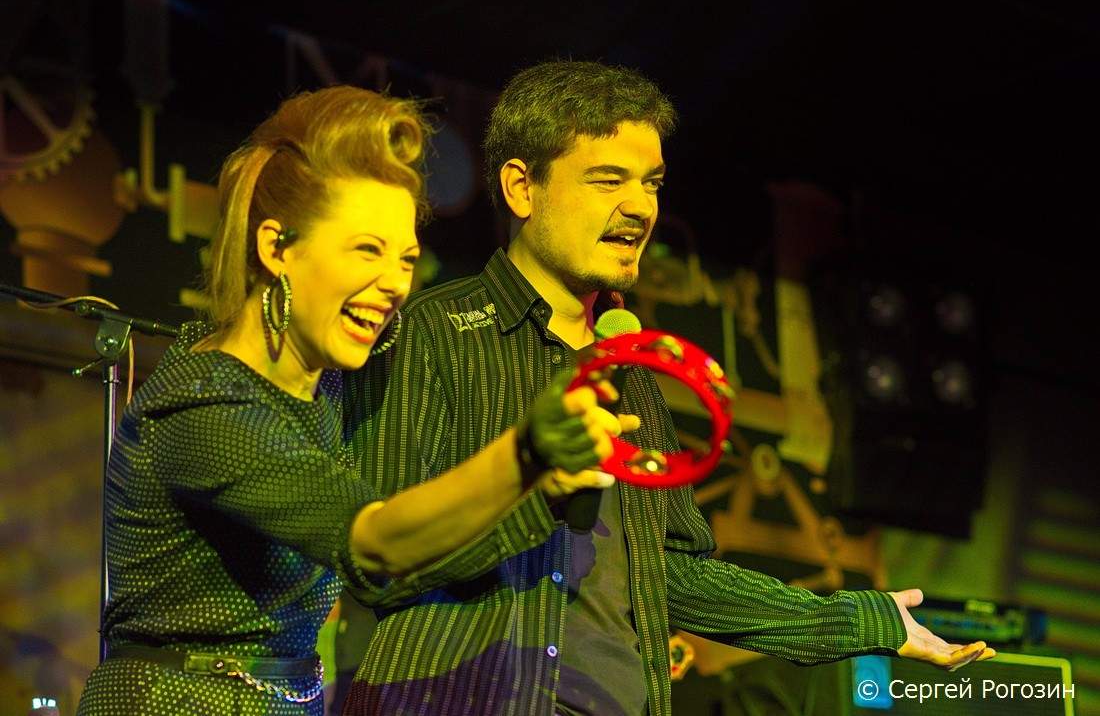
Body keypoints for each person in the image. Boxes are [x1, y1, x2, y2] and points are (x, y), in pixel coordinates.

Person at [340, 62, 995, 716]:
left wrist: (858, 620)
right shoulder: (433, 333)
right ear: (522, 187)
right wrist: (533, 490)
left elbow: (674, 574)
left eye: (651, 183)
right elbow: (379, 565)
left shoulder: (634, 377)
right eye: (608, 180)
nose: (640, 207)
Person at [75, 85, 626, 716]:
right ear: (277, 248)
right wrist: (525, 454)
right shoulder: (204, 403)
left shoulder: (332, 375)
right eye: (367, 250)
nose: (393, 284)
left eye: (406, 259)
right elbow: (374, 541)